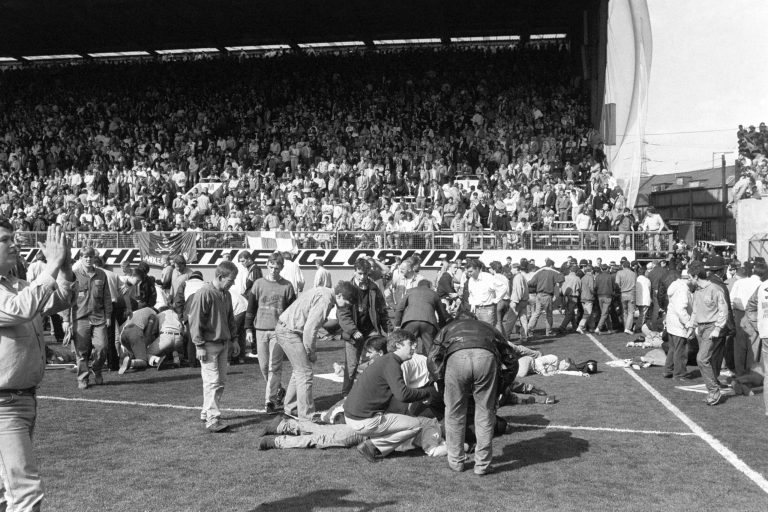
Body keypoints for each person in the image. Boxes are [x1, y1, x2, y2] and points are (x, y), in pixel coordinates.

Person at [0, 223, 75, 511]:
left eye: (13, 238)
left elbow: (60, 298)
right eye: (5, 240)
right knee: (25, 494)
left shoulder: (16, 285)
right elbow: (22, 309)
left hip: (22, 399)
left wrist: (64, 268)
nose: (14, 244)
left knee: (7, 492)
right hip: (4, 405)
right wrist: (52, 264)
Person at [428, 312, 510, 475]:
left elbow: (432, 358)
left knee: (453, 413)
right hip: (486, 358)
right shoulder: (489, 328)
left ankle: (456, 461)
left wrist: (440, 380)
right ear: (475, 321)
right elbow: (511, 358)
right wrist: (501, 387)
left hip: (456, 359)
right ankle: (482, 465)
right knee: (485, 414)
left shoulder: (447, 329)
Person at [344, 330, 433, 463]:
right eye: (410, 344)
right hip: (362, 421)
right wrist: (428, 392)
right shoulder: (391, 363)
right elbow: (403, 395)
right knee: (416, 425)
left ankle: (372, 442)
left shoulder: (387, 361)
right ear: (398, 345)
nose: (414, 347)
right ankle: (372, 446)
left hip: (354, 416)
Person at [276, 281, 357, 420]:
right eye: (347, 302)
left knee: (299, 371)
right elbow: (310, 329)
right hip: (289, 332)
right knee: (305, 373)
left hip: (287, 328)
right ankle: (307, 415)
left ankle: (291, 408)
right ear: (339, 295)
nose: (347, 306)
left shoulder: (324, 292)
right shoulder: (325, 300)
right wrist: (311, 352)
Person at [186, 261, 240, 432]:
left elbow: (230, 319)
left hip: (223, 344)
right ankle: (212, 419)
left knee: (220, 382)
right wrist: (199, 345)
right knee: (212, 382)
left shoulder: (226, 295)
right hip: (208, 345)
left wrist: (235, 340)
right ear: (220, 277)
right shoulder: (204, 293)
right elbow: (195, 321)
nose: (233, 283)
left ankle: (206, 412)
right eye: (231, 280)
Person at [244, 252, 296, 414]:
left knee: (274, 366)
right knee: (264, 366)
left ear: (282, 268)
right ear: (267, 265)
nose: (274, 270)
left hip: (277, 332)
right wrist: (248, 329)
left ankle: (270, 401)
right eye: (271, 266)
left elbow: (292, 311)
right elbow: (251, 308)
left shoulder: (287, 286)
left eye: (277, 267)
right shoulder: (258, 283)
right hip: (260, 330)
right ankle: (279, 389)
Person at [338, 259, 392, 396]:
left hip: (371, 330)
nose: (363, 277)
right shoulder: (347, 288)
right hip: (353, 333)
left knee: (377, 362)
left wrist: (389, 330)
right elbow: (343, 314)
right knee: (351, 367)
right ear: (354, 271)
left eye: (365, 274)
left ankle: (375, 393)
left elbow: (382, 311)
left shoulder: (374, 288)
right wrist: (353, 331)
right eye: (360, 273)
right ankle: (346, 395)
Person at [68, 246, 112, 389]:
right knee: (81, 351)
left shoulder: (101, 274)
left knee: (103, 347)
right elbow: (65, 298)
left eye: (90, 256)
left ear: (94, 258)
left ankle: (97, 369)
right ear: (80, 258)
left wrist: (109, 315)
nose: (88, 259)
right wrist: (64, 319)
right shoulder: (73, 275)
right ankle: (83, 378)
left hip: (99, 318)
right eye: (85, 257)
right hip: (80, 318)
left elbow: (107, 297)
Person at [689, 260, 729, 406]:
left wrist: (718, 328)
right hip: (700, 328)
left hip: (711, 327)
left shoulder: (715, 289)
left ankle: (714, 390)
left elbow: (723, 311)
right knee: (707, 360)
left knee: (701, 358)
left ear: (695, 276)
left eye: (690, 277)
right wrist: (691, 327)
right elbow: (695, 310)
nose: (689, 280)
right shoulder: (697, 291)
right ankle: (712, 389)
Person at [394, 279, 448, 355]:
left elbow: (400, 308)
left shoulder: (410, 291)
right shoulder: (434, 293)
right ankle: (429, 365)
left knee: (406, 347)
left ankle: (406, 364)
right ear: (429, 286)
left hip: (410, 321)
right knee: (430, 350)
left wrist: (397, 325)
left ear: (418, 285)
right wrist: (442, 327)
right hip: (428, 322)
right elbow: (442, 313)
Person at [663, 271, 694, 380]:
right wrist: (688, 323)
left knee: (673, 348)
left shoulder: (675, 285)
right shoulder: (683, 289)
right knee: (681, 350)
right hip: (679, 323)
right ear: (689, 278)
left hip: (672, 322)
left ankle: (668, 369)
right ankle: (679, 373)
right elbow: (681, 309)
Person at [526, 258, 565, 337]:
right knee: (549, 314)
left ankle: (529, 329)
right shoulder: (553, 272)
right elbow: (562, 278)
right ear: (551, 266)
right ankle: (549, 332)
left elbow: (530, 283)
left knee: (536, 313)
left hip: (539, 295)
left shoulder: (539, 272)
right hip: (547, 295)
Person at [117, 306, 161, 373]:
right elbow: (148, 333)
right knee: (143, 361)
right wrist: (145, 344)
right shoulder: (154, 314)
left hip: (123, 334)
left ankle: (123, 361)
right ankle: (130, 363)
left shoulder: (140, 312)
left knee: (134, 355)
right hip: (135, 332)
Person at [464, 259, 497, 328]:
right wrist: (472, 305)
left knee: (488, 331)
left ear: (477, 269)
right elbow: (471, 294)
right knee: (478, 331)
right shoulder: (471, 280)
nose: (469, 273)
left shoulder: (488, 277)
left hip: (487, 309)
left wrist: (496, 300)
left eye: (471, 271)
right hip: (476, 309)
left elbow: (503, 288)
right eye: (468, 272)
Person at [505, 262, 530, 342]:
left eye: (512, 268)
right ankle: (524, 337)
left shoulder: (517, 277)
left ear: (516, 269)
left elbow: (518, 290)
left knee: (510, 320)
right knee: (523, 320)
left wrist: (515, 301)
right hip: (523, 301)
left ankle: (506, 337)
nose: (511, 270)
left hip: (518, 301)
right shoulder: (522, 276)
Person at [615, 260, 636, 334]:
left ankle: (626, 327)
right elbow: (635, 285)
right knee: (631, 312)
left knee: (625, 312)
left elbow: (617, 284)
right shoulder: (633, 274)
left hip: (623, 294)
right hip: (631, 294)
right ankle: (627, 328)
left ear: (623, 266)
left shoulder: (619, 273)